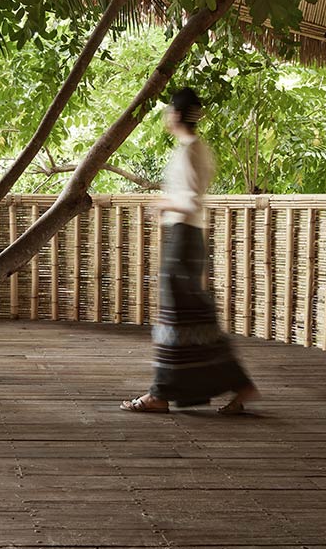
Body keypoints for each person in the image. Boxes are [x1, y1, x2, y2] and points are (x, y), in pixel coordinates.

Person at [121, 87, 258, 415]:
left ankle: (161, 394)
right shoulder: (196, 149)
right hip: (187, 236)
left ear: (178, 115)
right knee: (191, 317)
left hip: (183, 237)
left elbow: (190, 199)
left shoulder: (189, 152)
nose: (167, 115)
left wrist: (163, 203)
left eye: (170, 110)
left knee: (179, 316)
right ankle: (237, 386)